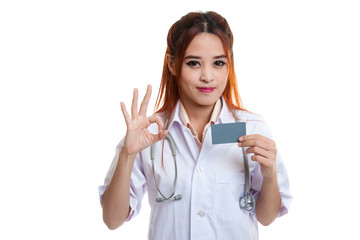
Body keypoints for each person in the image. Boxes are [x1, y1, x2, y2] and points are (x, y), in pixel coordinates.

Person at [99, 11, 292, 239]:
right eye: (193, 63)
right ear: (172, 64)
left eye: (218, 63)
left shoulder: (252, 128)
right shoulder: (148, 133)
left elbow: (266, 217)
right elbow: (112, 220)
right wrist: (127, 155)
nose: (208, 76)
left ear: (229, 65)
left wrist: (269, 174)